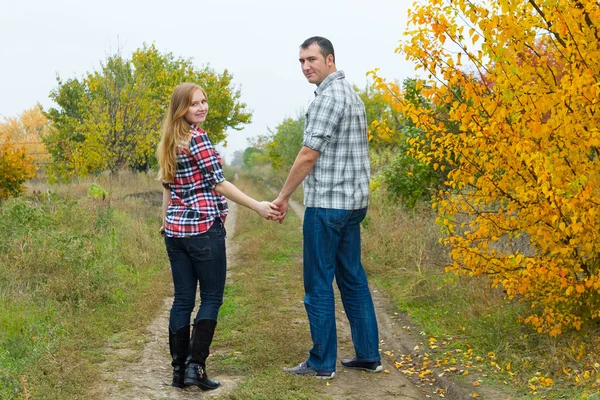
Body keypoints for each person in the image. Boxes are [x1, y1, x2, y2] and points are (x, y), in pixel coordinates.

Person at [157, 82, 280, 390]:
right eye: (194, 103)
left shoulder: (169, 140)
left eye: (204, 101)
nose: (201, 107)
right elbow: (219, 184)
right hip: (201, 229)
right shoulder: (197, 138)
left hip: (175, 232)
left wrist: (165, 222)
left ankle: (177, 370)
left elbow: (168, 187)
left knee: (183, 299)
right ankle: (194, 368)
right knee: (211, 297)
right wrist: (258, 206)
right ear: (181, 108)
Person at [275, 37, 382, 379]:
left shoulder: (328, 98)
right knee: (352, 279)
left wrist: (282, 197)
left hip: (327, 207)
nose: (306, 66)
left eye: (311, 59)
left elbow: (309, 153)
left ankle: (322, 363)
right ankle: (368, 355)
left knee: (318, 284)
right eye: (301, 61)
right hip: (353, 206)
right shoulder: (351, 95)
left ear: (330, 59)